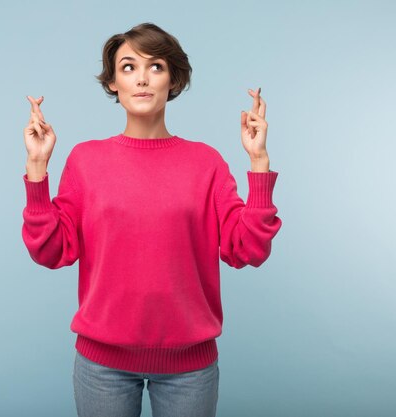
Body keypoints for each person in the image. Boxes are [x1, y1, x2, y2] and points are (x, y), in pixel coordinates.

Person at [21, 22, 282, 417]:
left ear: (173, 79)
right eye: (128, 67)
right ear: (112, 83)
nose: (142, 78)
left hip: (189, 369)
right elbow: (52, 251)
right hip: (101, 366)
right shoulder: (86, 160)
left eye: (155, 66)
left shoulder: (205, 162)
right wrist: (38, 167)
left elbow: (247, 248)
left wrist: (258, 162)